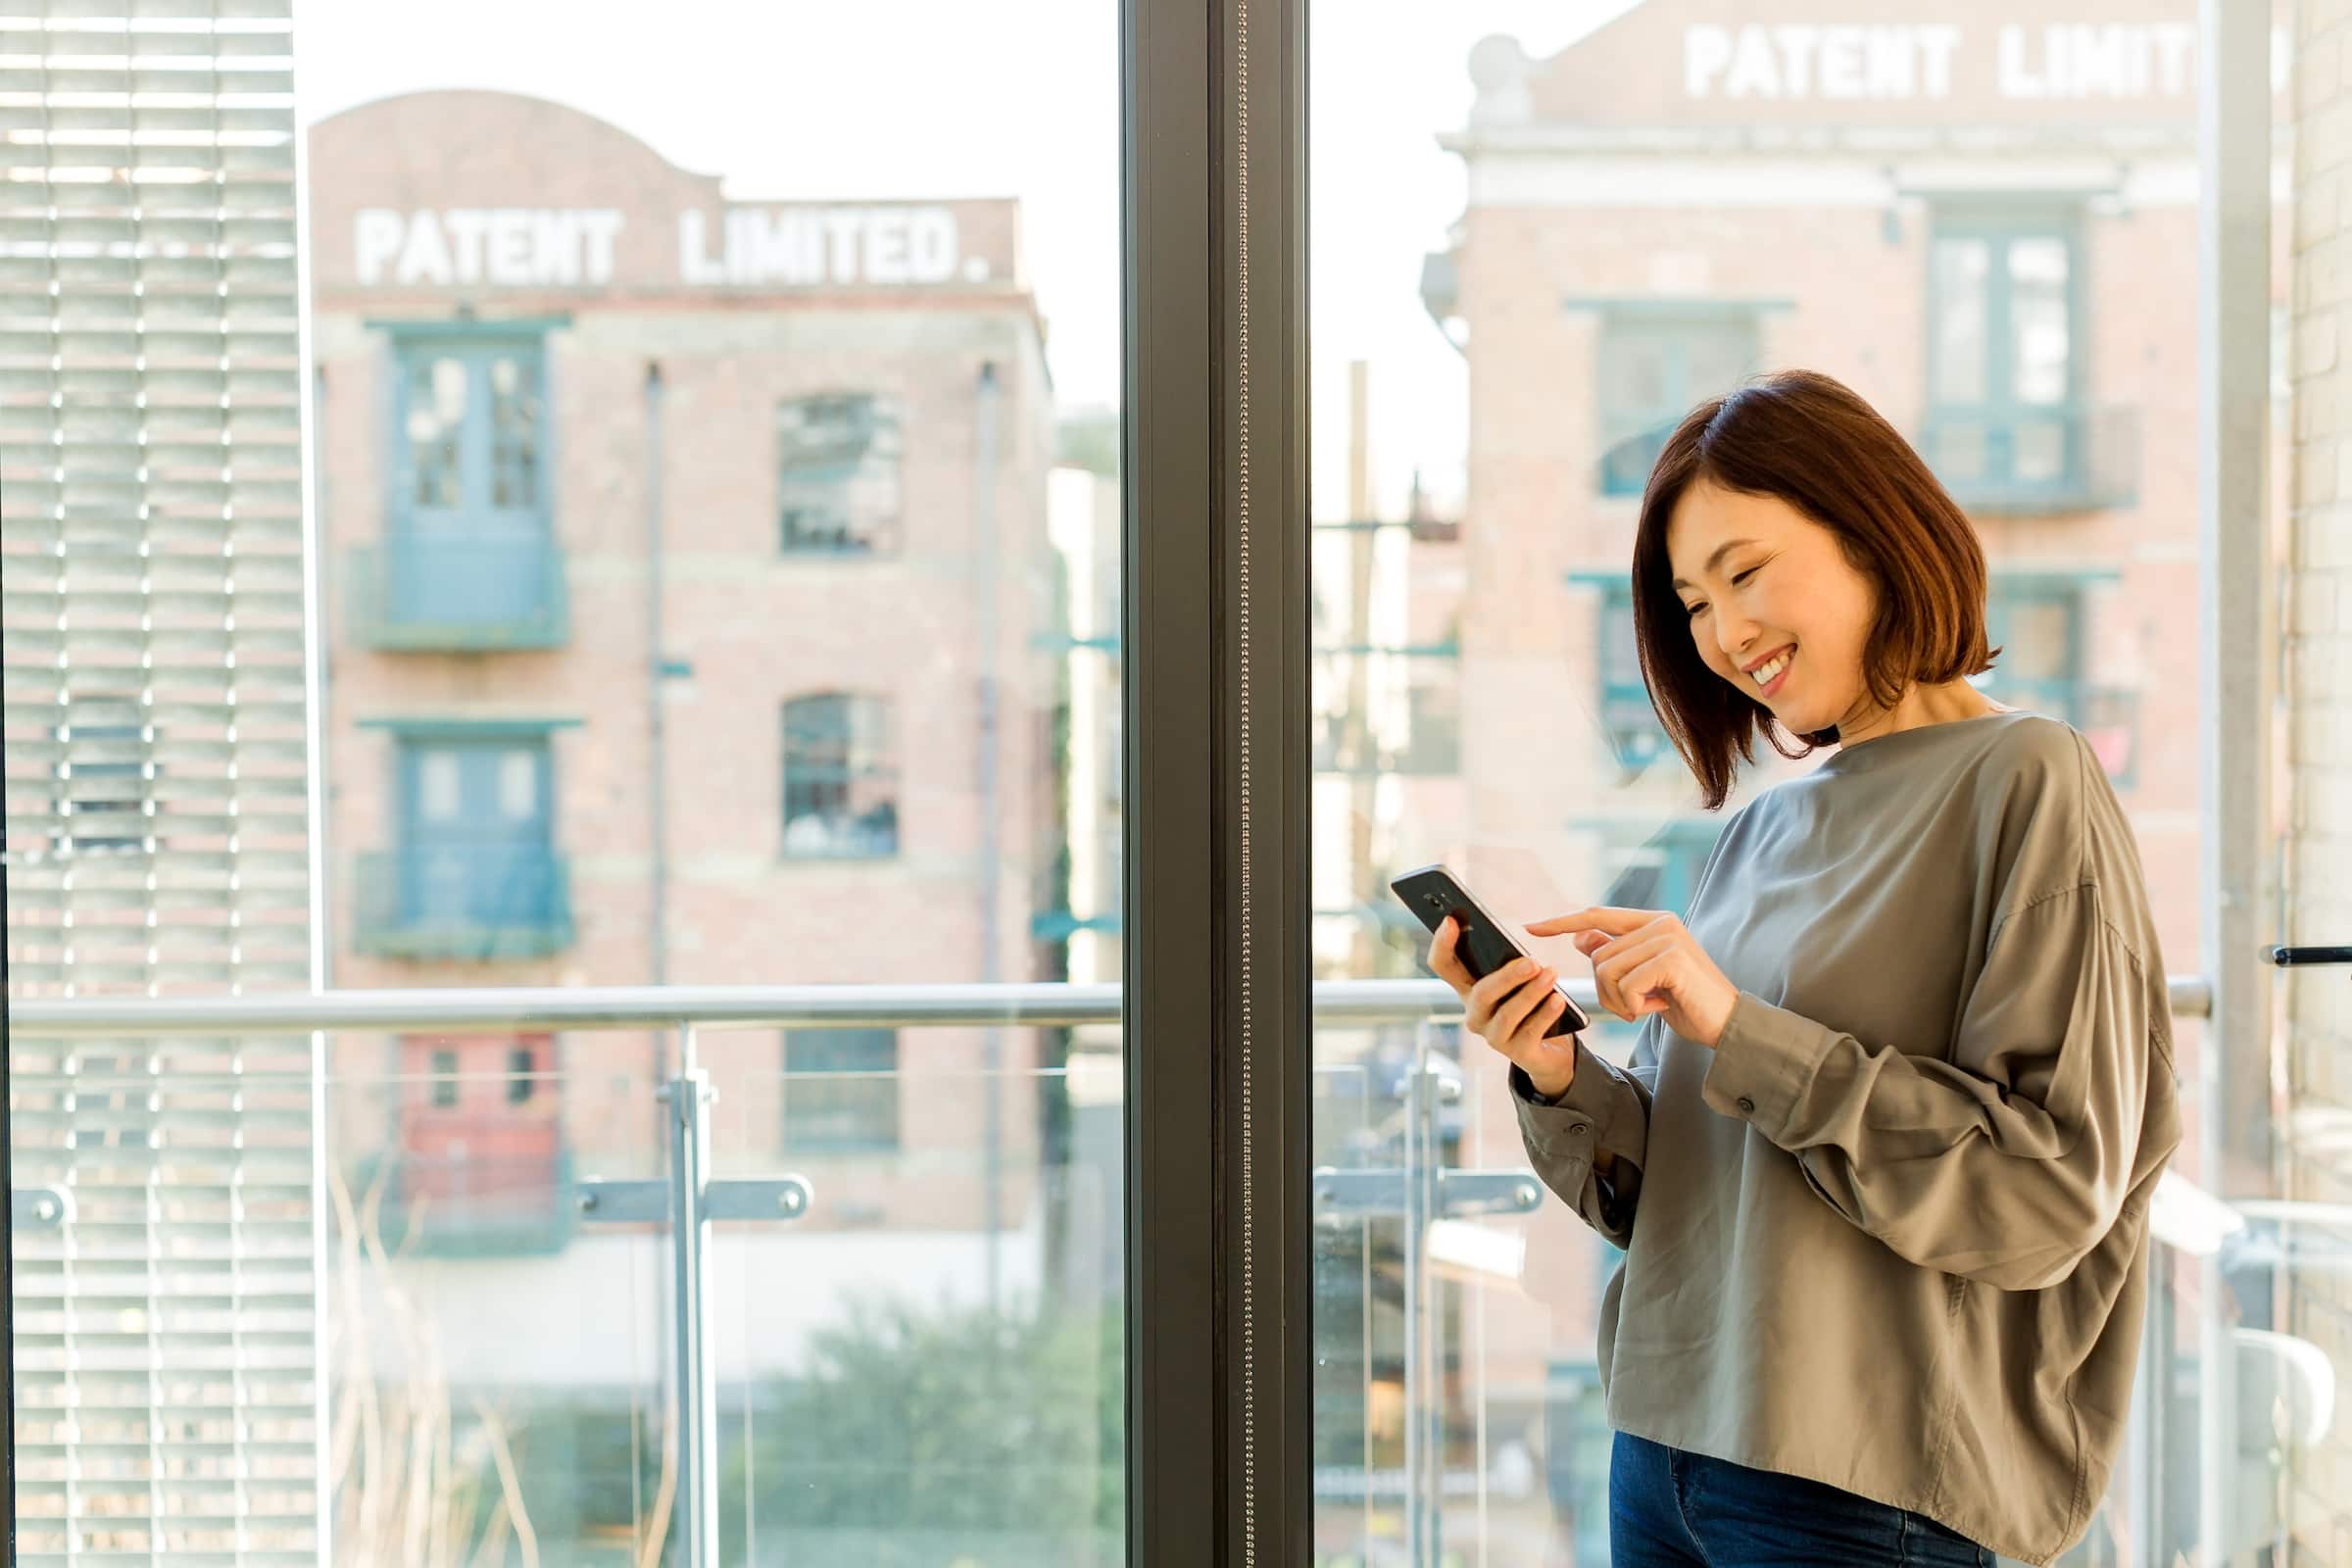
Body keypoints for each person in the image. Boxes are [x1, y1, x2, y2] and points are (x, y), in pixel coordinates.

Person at [1427, 369, 2181, 1568]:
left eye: (1745, 572)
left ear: (1874, 532)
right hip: (1662, 1445)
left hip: (1861, 1485)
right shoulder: (1760, 828)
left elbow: (2044, 1193)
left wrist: (1737, 1024)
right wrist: (1559, 1073)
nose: (1724, 634)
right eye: (1691, 603)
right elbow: (1687, 1192)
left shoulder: (2027, 780)